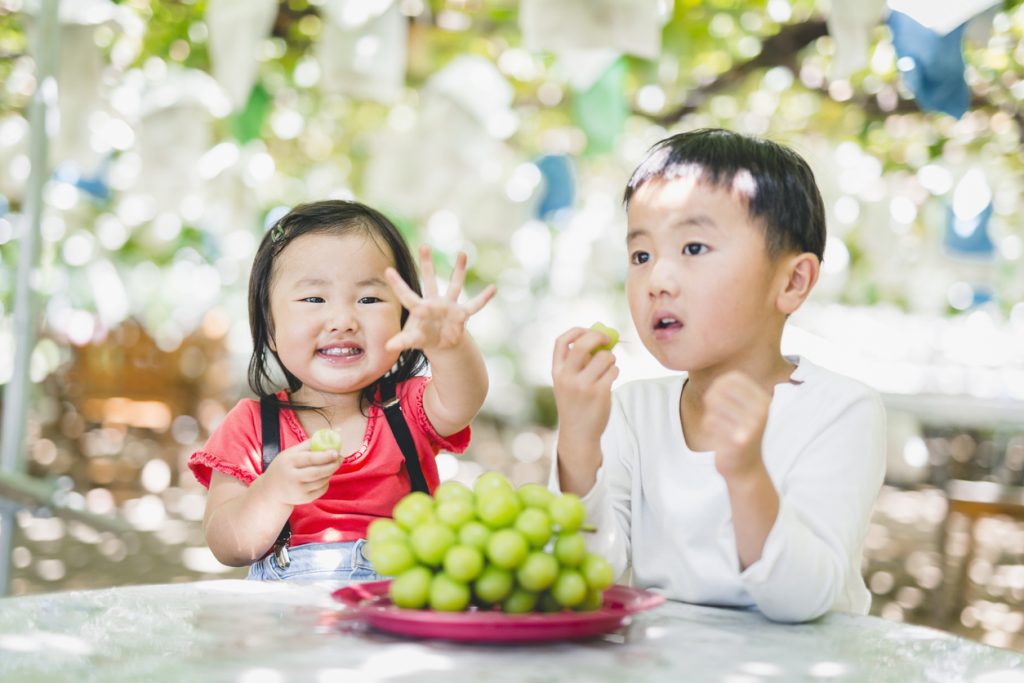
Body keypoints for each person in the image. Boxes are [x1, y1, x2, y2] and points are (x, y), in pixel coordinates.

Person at [550, 129, 886, 623]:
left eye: (693, 248)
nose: (657, 282)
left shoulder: (841, 410)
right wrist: (578, 439)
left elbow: (801, 600)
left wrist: (746, 473)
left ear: (792, 282)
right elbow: (583, 575)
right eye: (641, 255)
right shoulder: (632, 409)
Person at [189, 200, 494, 581]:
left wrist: (449, 345)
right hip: (292, 622)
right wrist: (273, 492)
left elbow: (466, 397)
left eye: (369, 299)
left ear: (403, 317)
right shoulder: (251, 427)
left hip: (398, 604)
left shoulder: (409, 408)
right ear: (270, 326)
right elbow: (228, 547)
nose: (343, 321)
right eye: (314, 299)